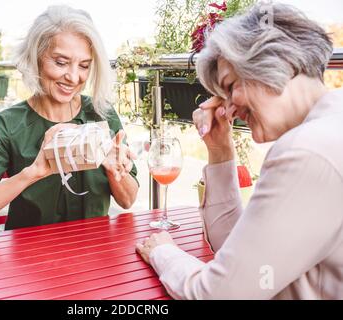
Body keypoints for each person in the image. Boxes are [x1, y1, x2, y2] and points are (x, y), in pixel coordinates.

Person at [136, 2, 343, 299]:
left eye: (231, 86)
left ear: (279, 62)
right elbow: (241, 260)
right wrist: (220, 150)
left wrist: (164, 253)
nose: (229, 107)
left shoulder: (306, 151)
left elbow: (219, 294)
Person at [0, 5, 139, 231]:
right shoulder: (7, 125)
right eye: (61, 62)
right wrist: (33, 172)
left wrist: (114, 171)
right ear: (36, 58)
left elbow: (128, 200)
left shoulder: (102, 114)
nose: (73, 77)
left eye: (84, 66)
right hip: (29, 257)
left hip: (94, 250)